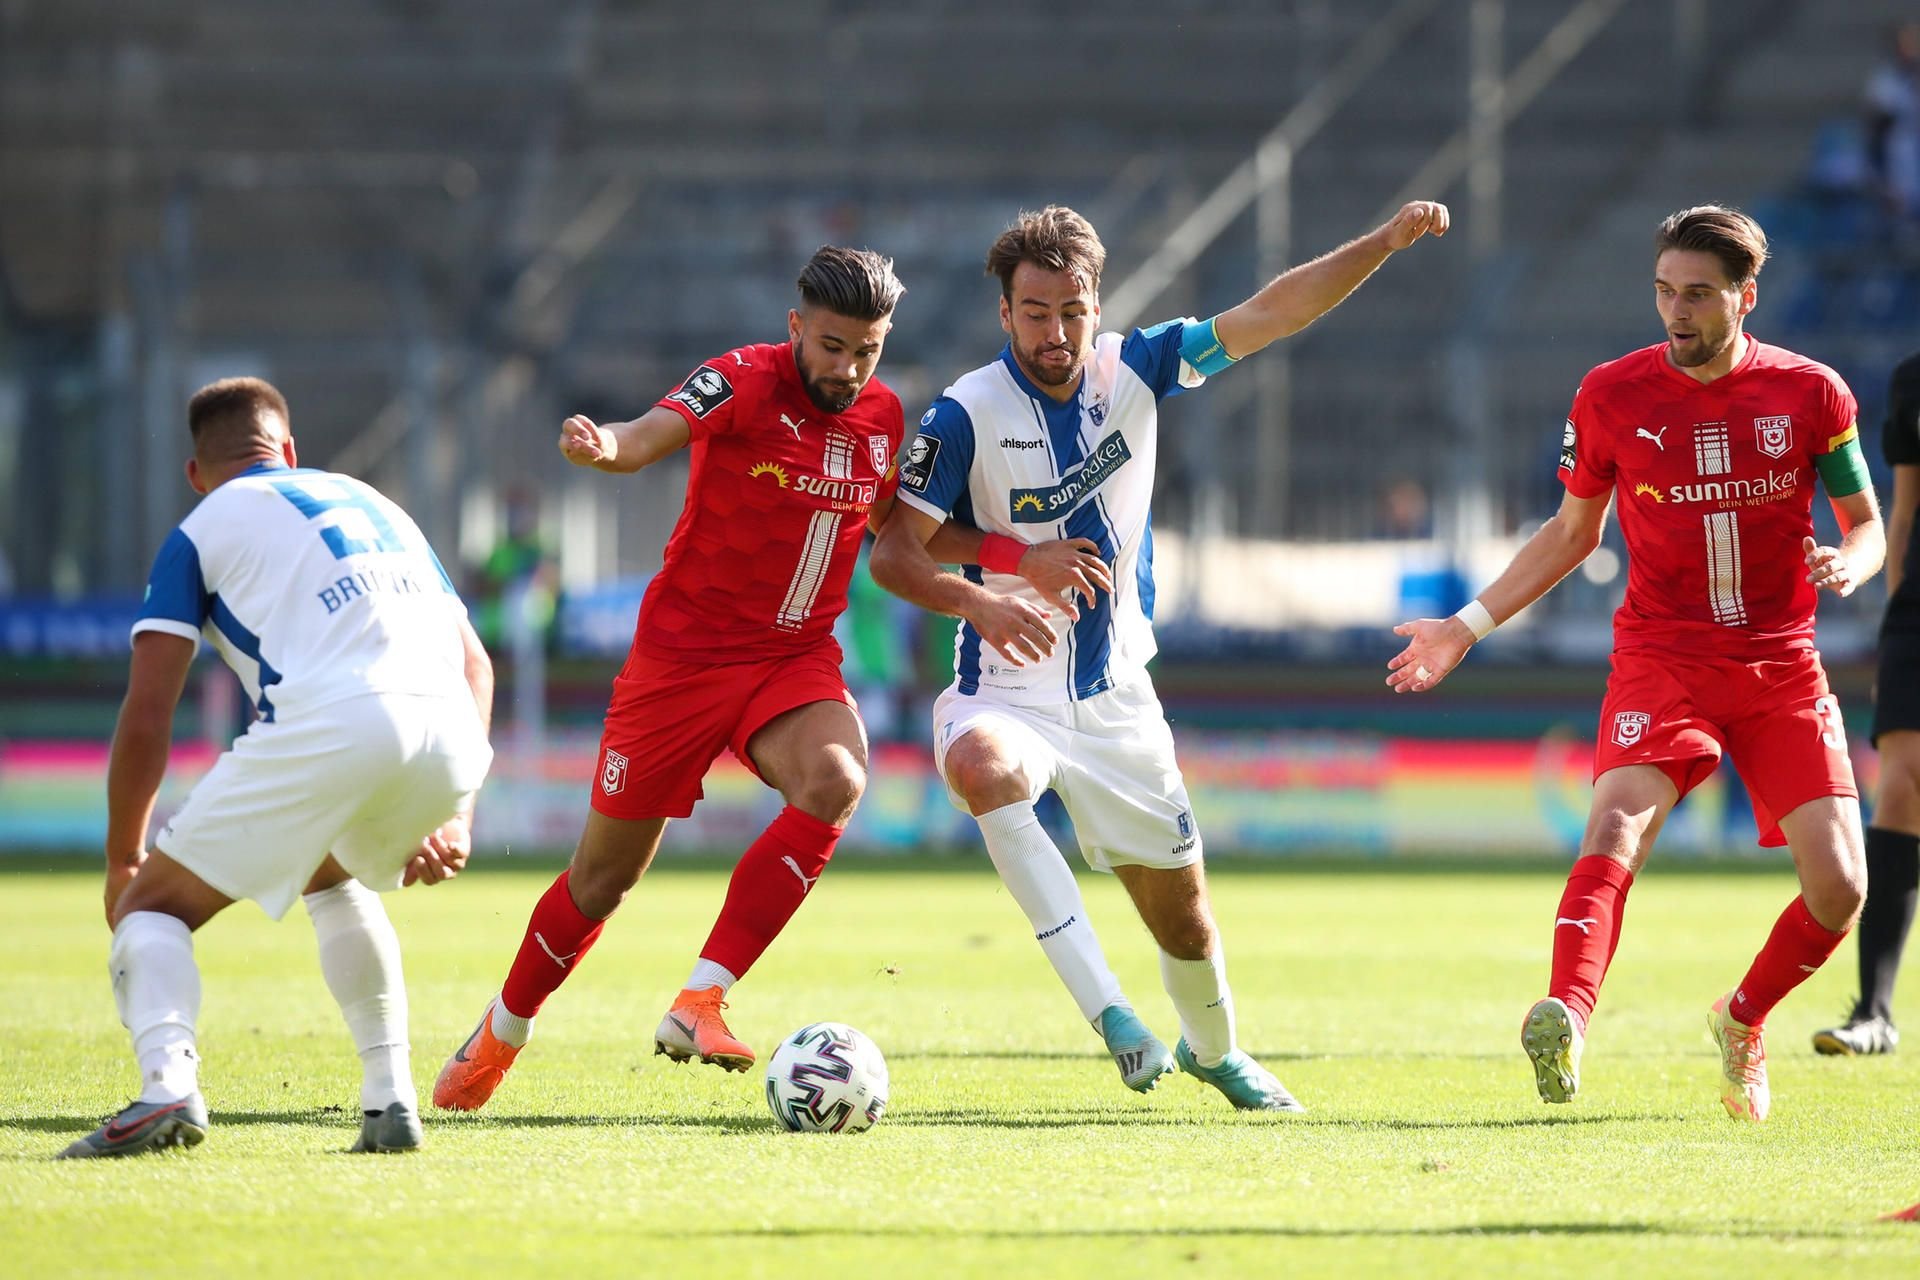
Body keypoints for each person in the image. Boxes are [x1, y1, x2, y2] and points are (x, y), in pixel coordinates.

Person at [432, 246, 1094, 1109]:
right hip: (681, 662)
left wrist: (1010, 563)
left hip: (793, 658)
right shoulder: (741, 380)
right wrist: (607, 449)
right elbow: (645, 438)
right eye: (831, 347)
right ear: (795, 330)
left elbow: (906, 538)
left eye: (867, 350)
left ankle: (702, 998)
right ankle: (502, 1031)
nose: (848, 369)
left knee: (836, 779)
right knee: (602, 882)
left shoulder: (885, 418)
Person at [870, 201, 1449, 1110]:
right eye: (1034, 313)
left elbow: (1271, 314)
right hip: (1005, 690)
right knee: (984, 768)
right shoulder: (964, 413)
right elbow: (896, 550)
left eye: (1072, 310)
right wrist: (994, 587)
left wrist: (1376, 242)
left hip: (1119, 700)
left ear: (1097, 301)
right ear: (1004, 312)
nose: (1055, 332)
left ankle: (1215, 1053)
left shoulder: (1139, 365)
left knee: (1184, 920)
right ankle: (1115, 1021)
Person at [1387, 206, 1884, 1123]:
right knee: (1615, 830)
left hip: (1781, 665)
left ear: (1746, 297)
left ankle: (1742, 1019)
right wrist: (1465, 625)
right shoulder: (1612, 394)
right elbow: (1574, 533)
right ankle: (1566, 1016)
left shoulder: (1813, 394)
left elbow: (1867, 524)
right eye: (1664, 291)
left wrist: (1850, 562)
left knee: (1843, 887)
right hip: (1665, 657)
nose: (1676, 312)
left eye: (1698, 294)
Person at [61, 377, 495, 1158]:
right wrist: (457, 808)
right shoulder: (378, 503)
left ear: (195, 472)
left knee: (152, 911)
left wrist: (125, 857)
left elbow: (148, 710)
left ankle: (166, 1090)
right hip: (450, 731)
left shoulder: (199, 526)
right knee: (331, 876)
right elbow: (476, 660)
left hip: (339, 722)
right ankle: (390, 1097)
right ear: (290, 451)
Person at [1814, 349, 1920, 1056]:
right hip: (1919, 609)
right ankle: (1874, 1012)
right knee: (1903, 784)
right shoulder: (1910, 378)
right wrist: (1897, 627)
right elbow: (1904, 511)